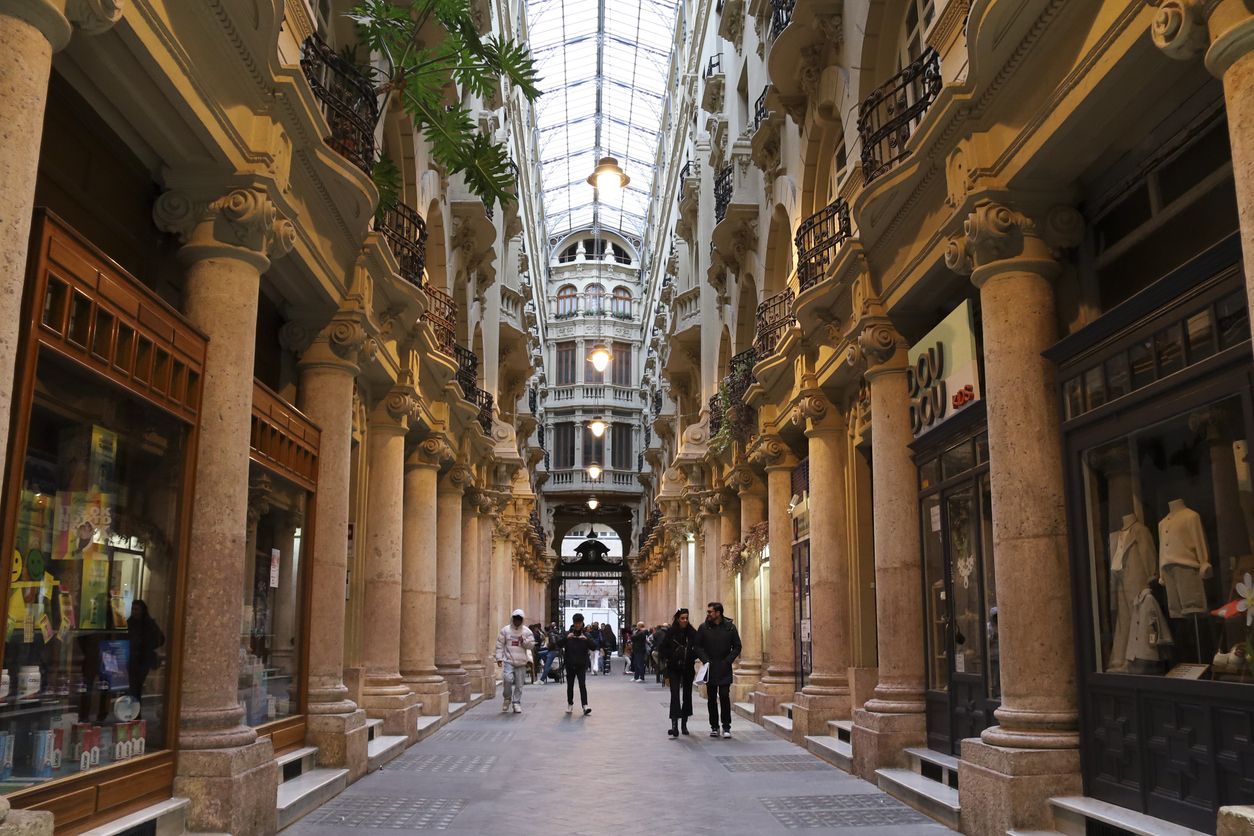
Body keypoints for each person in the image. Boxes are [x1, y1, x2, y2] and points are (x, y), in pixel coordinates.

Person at [696, 601, 741, 738]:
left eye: (710, 612)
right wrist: (705, 660)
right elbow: (698, 646)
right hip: (710, 668)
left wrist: (728, 660)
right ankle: (714, 726)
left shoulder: (730, 628)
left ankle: (726, 726)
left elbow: (737, 646)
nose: (708, 614)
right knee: (711, 698)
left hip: (724, 668)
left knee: (724, 696)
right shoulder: (703, 628)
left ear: (718, 613)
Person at [659, 608, 699, 737]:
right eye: (682, 618)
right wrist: (672, 656)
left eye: (686, 618)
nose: (685, 620)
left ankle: (684, 724)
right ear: (678, 619)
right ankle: (674, 725)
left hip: (687, 667)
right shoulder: (671, 632)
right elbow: (662, 649)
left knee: (687, 695)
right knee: (674, 694)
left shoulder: (692, 632)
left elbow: (699, 647)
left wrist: (691, 655)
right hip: (674, 668)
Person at [494, 609, 535, 713]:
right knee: (507, 679)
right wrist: (499, 658)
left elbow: (531, 645)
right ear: (512, 619)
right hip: (509, 660)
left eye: (519, 620)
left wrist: (524, 641)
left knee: (519, 684)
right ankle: (507, 698)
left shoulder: (527, 631)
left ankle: (516, 703)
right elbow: (499, 645)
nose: (517, 622)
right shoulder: (505, 630)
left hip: (521, 661)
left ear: (522, 620)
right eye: (515, 619)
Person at [127, 600, 164, 704]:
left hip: (143, 660)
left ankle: (136, 712)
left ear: (142, 611)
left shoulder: (149, 623)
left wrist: (148, 645)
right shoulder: (129, 623)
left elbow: (160, 639)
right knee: (133, 687)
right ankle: (134, 713)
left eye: (137, 609)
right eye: (133, 609)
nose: (134, 612)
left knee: (137, 687)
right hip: (132, 659)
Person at [561, 613, 594, 715]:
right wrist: (567, 638)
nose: (577, 625)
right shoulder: (567, 634)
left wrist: (587, 640)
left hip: (581, 664)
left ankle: (585, 705)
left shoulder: (586, 635)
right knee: (570, 686)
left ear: (582, 623)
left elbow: (594, 646)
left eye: (579, 623)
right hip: (570, 664)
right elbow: (558, 644)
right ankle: (570, 704)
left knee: (582, 685)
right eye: (576, 623)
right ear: (573, 623)